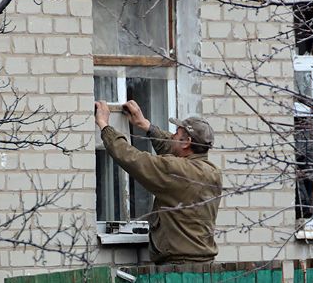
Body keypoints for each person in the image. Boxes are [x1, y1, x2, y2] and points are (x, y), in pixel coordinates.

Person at [95, 99, 222, 264]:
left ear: (187, 142)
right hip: (204, 265)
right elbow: (173, 147)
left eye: (176, 133)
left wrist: (105, 126)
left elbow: (132, 158)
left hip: (179, 267)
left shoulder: (177, 171)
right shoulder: (212, 172)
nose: (172, 136)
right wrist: (146, 126)